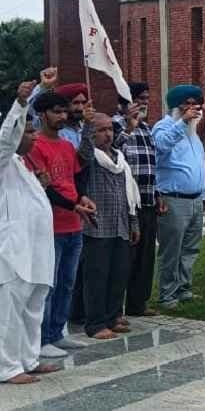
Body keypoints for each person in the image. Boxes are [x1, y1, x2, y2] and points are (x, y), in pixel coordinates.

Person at [0, 81, 61, 383]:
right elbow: (5, 140)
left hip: (37, 250)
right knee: (10, 310)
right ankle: (7, 367)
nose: (34, 135)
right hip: (14, 252)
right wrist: (21, 104)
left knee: (33, 305)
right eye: (28, 131)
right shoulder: (3, 159)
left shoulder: (21, 164)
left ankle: (28, 358)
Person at [27, 91, 96, 357]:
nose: (62, 116)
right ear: (42, 114)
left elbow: (74, 178)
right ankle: (42, 339)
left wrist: (82, 197)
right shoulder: (35, 146)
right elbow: (44, 188)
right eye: (56, 112)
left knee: (67, 282)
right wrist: (73, 205)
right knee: (49, 283)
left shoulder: (67, 145)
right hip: (51, 225)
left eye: (64, 111)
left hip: (73, 225)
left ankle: (58, 332)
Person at [75, 113, 139, 339]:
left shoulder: (119, 159)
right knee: (97, 277)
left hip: (120, 224)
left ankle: (113, 316)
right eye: (101, 130)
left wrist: (133, 223)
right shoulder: (89, 157)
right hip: (97, 226)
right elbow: (84, 151)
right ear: (92, 134)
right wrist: (86, 127)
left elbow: (129, 194)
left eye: (110, 129)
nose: (107, 134)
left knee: (118, 274)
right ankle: (95, 323)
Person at [152, 85, 205, 310]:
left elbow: (199, 164)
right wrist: (183, 122)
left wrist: (203, 193)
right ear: (176, 106)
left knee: (190, 249)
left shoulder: (193, 133)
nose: (193, 109)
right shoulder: (164, 126)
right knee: (171, 250)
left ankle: (184, 288)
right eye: (187, 104)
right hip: (173, 198)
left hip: (195, 199)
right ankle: (167, 294)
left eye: (196, 104)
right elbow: (161, 145)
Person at [113, 83, 159, 317]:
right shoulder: (114, 125)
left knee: (145, 256)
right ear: (124, 103)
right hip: (126, 203)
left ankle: (138, 303)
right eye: (139, 99)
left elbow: (152, 164)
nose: (144, 103)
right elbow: (111, 153)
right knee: (125, 258)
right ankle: (115, 309)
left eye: (146, 98)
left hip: (147, 199)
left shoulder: (147, 128)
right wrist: (128, 128)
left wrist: (157, 194)